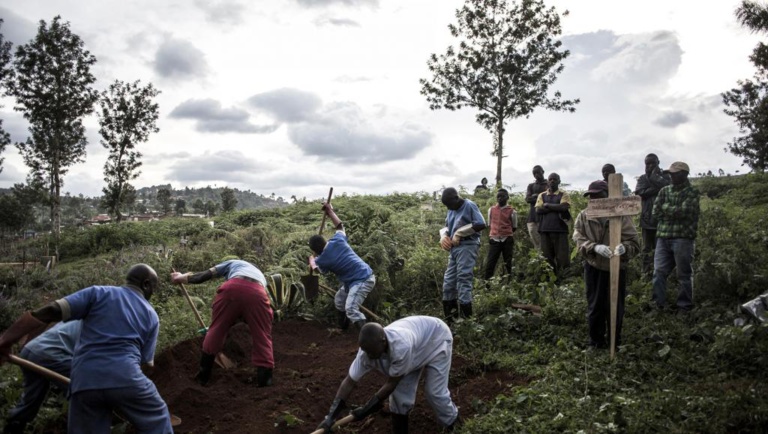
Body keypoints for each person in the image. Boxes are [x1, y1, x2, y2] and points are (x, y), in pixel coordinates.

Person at [0, 264, 173, 434]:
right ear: (146, 285)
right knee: (158, 418)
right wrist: (126, 395)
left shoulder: (98, 293)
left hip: (84, 381)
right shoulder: (151, 315)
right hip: (124, 375)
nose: (152, 293)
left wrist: (5, 340)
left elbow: (51, 310)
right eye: (154, 288)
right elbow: (144, 363)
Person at [315, 316, 461, 434]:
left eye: (372, 352)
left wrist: (367, 408)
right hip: (416, 345)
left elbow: (392, 383)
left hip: (436, 338)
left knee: (434, 392)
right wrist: (330, 417)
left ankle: (454, 425)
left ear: (383, 342)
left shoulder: (401, 346)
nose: (370, 356)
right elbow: (349, 382)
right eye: (366, 351)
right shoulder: (365, 353)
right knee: (399, 399)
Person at [171, 259, 274, 387]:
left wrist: (181, 278)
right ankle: (265, 381)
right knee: (262, 336)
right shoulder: (261, 277)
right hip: (258, 293)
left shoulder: (234, 263)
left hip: (232, 288)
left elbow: (204, 275)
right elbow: (248, 312)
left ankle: (203, 377)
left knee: (216, 331)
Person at [573, 181, 640, 349]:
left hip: (616, 267)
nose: (594, 199)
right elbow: (577, 237)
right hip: (594, 265)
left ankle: (614, 342)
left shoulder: (621, 216)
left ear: (607, 196)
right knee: (595, 306)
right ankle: (596, 342)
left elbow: (635, 242)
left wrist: (625, 248)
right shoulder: (584, 215)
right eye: (591, 196)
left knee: (615, 307)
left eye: (598, 196)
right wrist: (594, 247)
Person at [3, 321, 82, 434]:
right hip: (53, 353)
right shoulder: (104, 324)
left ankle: (14, 426)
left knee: (32, 397)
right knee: (84, 391)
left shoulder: (78, 316)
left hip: (30, 350)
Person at [309, 202, 376, 331]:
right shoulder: (337, 240)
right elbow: (340, 226)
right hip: (355, 279)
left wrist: (312, 261)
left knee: (351, 309)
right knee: (339, 300)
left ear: (316, 251)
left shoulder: (322, 260)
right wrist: (330, 212)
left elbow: (318, 271)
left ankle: (369, 338)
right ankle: (343, 328)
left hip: (362, 279)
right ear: (324, 240)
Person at [651, 161, 700, 311]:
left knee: (684, 274)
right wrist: (672, 211)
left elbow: (684, 212)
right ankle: (658, 305)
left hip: (683, 239)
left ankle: (684, 306)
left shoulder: (692, 192)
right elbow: (655, 212)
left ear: (684, 174)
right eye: (670, 174)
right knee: (658, 272)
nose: (671, 176)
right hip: (663, 238)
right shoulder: (664, 191)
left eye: (675, 174)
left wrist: (666, 209)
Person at [439, 187, 486, 321]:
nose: (449, 208)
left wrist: (459, 232)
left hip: (468, 246)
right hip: (455, 249)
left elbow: (481, 224)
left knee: (463, 279)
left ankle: (466, 319)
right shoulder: (451, 209)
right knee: (448, 281)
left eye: (449, 204)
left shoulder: (469, 205)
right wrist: (443, 236)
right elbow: (447, 227)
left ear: (456, 198)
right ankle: (451, 318)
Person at [634, 153, 671, 277]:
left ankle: (660, 274)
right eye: (647, 164)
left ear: (658, 163)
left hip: (662, 221)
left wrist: (655, 177)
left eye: (652, 163)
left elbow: (668, 188)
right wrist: (656, 188)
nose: (649, 166)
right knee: (646, 249)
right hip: (646, 220)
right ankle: (645, 273)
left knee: (661, 249)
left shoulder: (666, 176)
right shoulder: (642, 178)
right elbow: (640, 193)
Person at [535, 173, 571, 277]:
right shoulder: (542, 195)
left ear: (559, 181)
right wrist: (556, 207)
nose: (552, 181)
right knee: (547, 257)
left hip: (561, 230)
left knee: (563, 257)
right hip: (545, 229)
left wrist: (547, 205)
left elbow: (564, 207)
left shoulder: (564, 194)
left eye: (555, 179)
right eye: (550, 179)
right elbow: (538, 210)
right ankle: (551, 280)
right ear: (547, 181)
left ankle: (564, 280)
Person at [484, 188, 518, 281]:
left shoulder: (512, 211)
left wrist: (505, 233)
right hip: (494, 239)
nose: (500, 199)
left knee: (508, 262)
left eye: (502, 196)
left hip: (507, 239)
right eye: (498, 197)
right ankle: (487, 284)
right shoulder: (491, 210)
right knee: (490, 263)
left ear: (507, 197)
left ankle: (510, 282)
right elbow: (489, 224)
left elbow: (514, 226)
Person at [525, 165, 548, 251]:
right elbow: (528, 199)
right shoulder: (531, 186)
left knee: (545, 241)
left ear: (543, 172)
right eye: (534, 173)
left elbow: (548, 199)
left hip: (544, 217)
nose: (536, 175)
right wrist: (541, 197)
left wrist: (535, 196)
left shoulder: (548, 184)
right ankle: (539, 260)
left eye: (538, 172)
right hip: (532, 217)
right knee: (535, 240)